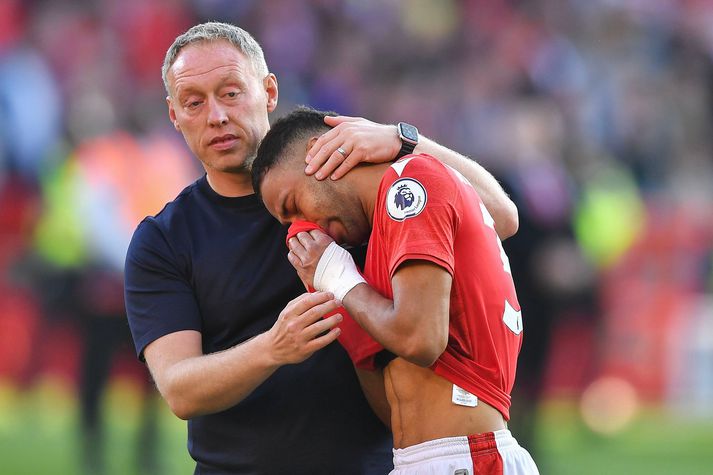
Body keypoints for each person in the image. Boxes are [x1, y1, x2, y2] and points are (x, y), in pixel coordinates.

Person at [124, 22, 518, 474]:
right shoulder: (164, 239)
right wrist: (274, 347)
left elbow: (499, 218)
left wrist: (403, 140)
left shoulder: (343, 177)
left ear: (268, 91)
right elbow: (180, 390)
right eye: (194, 102)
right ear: (174, 116)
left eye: (231, 93)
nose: (216, 116)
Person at [251, 107, 539, 474]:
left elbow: (421, 340)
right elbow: (393, 414)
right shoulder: (378, 250)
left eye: (293, 207)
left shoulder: (410, 180)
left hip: (467, 457)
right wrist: (346, 310)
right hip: (419, 459)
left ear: (318, 151)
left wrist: (403, 141)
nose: (302, 229)